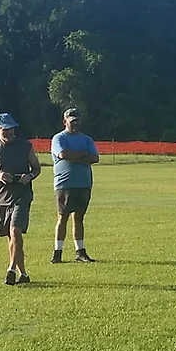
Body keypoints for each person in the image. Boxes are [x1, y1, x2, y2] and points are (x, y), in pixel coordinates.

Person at [0, 112, 41, 285]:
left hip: (22, 195)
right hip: (2, 198)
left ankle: (11, 270)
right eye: (5, 129)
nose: (9, 132)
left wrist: (29, 176)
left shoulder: (25, 146)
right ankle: (24, 274)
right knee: (11, 237)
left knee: (15, 231)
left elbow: (36, 168)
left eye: (12, 129)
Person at [48, 106, 100, 264]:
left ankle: (80, 251)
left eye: (77, 121)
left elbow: (95, 158)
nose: (75, 123)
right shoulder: (59, 138)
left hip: (83, 184)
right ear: (65, 122)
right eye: (72, 121)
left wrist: (74, 156)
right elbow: (63, 154)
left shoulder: (87, 139)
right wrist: (84, 155)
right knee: (62, 217)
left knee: (79, 218)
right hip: (65, 184)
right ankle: (57, 252)